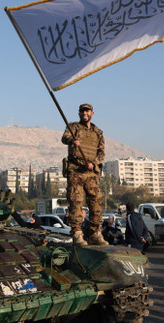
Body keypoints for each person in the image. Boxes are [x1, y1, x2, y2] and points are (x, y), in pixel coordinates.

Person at [61, 103, 107, 246]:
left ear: (92, 113)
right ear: (79, 113)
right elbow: (64, 138)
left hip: (91, 172)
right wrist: (72, 141)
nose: (84, 113)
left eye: (87, 111)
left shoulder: (97, 132)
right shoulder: (73, 127)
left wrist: (94, 163)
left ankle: (95, 233)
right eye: (82, 111)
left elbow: (101, 152)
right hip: (76, 171)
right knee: (76, 201)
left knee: (96, 202)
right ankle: (77, 233)